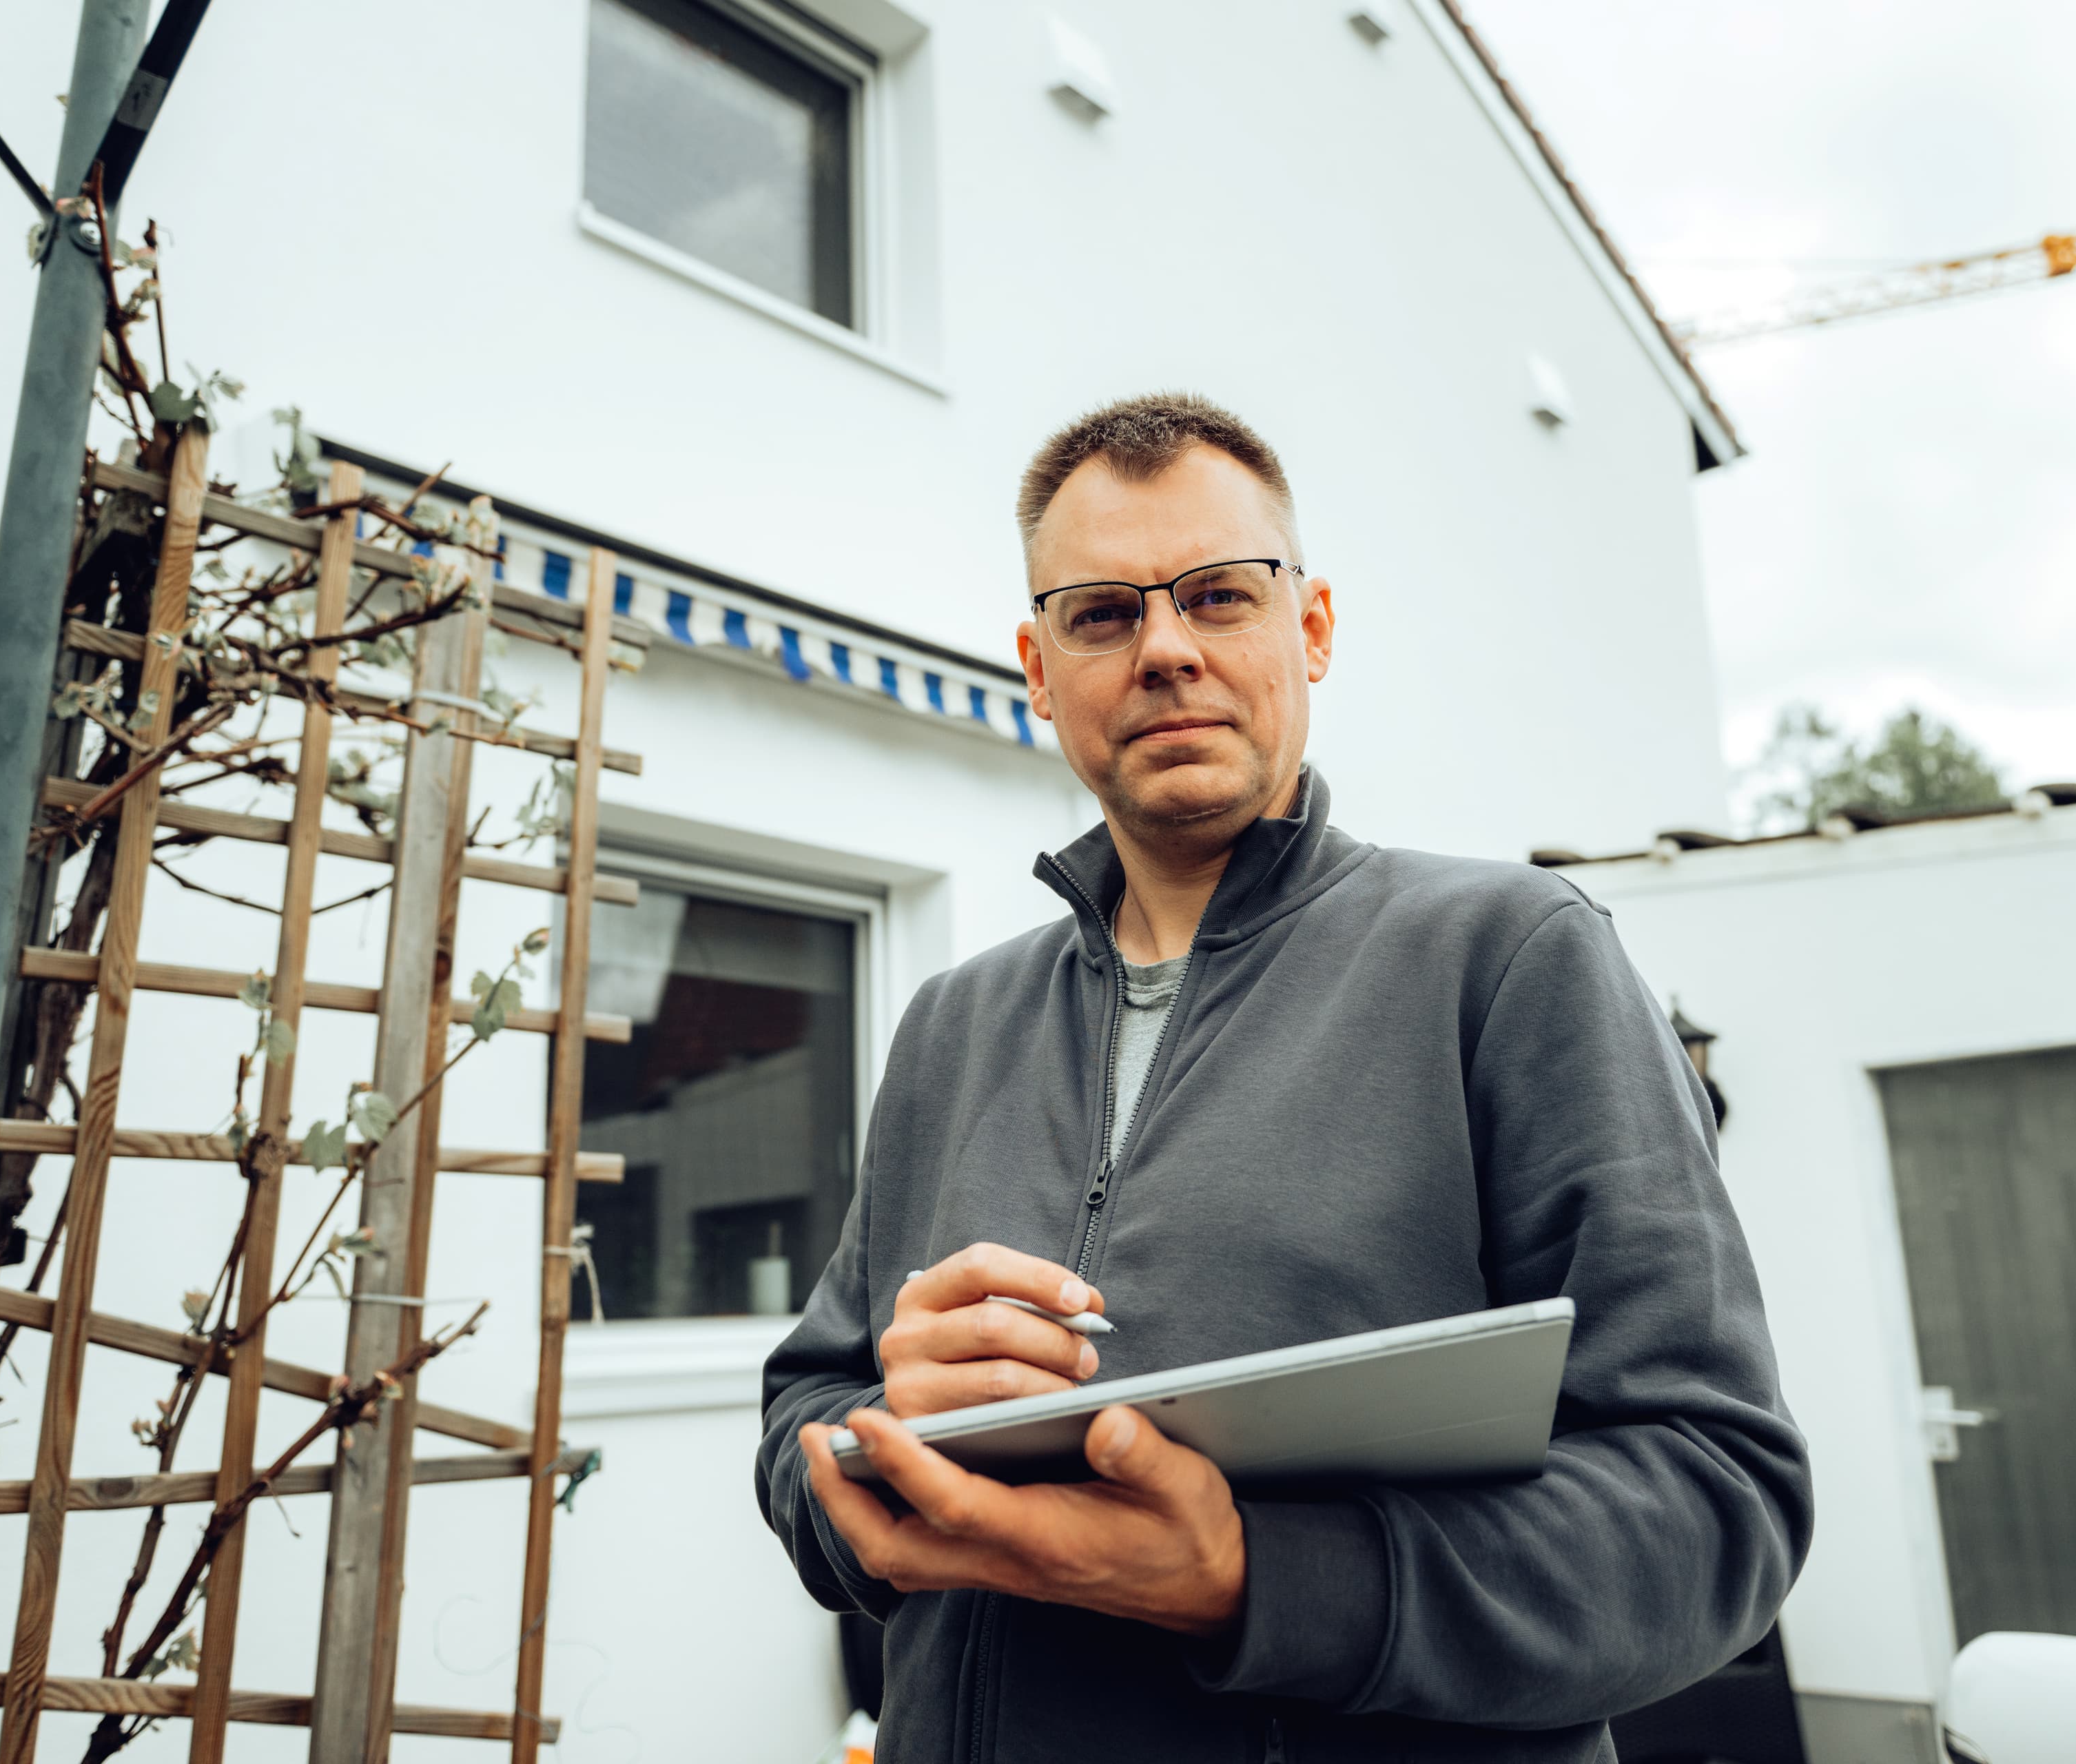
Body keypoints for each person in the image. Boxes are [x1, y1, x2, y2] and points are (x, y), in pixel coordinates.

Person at [757, 393, 1812, 1761]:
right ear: (1036, 662)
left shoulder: (1509, 957)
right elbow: (806, 1413)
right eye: (1102, 614)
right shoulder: (952, 1022)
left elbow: (1717, 1500)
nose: (1167, 649)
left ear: (1309, 626)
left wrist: (1258, 1579)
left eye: (1218, 594)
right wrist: (875, 1448)